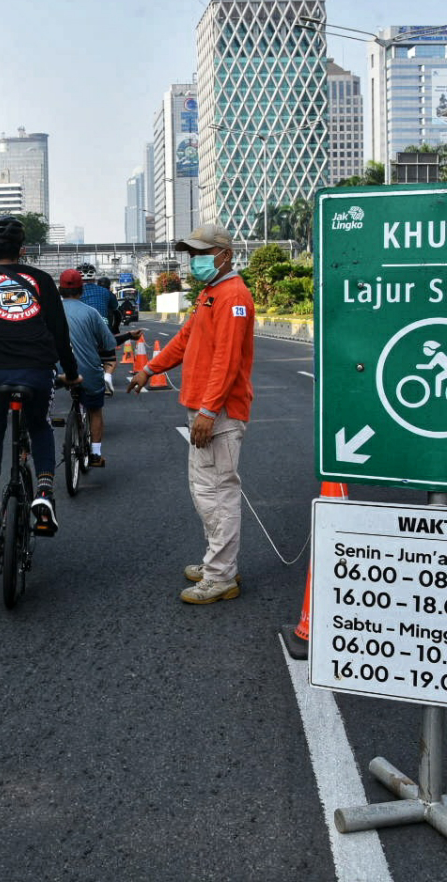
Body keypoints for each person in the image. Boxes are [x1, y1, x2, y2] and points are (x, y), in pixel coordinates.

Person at [129, 222, 254, 605]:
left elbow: (227, 360)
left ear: (225, 255)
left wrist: (209, 410)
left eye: (201, 254)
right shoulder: (210, 294)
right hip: (203, 408)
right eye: (191, 254)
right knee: (206, 493)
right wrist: (150, 369)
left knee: (218, 494)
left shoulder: (233, 296)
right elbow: (184, 341)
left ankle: (220, 576)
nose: (194, 261)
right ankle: (218, 561)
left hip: (217, 412)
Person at [0, 218, 80, 536]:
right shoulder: (41, 279)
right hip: (37, 369)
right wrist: (71, 373)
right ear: (23, 250)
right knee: (39, 424)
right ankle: (43, 493)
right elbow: (59, 332)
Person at [56, 268, 118, 467]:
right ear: (81, 291)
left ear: (59, 290)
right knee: (95, 410)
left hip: (57, 371)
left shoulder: (50, 312)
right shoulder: (91, 313)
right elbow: (108, 343)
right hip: (88, 371)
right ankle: (95, 454)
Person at [78, 265, 119, 333]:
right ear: (94, 279)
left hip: (83, 328)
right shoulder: (105, 292)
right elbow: (115, 306)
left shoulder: (75, 293)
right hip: (103, 326)